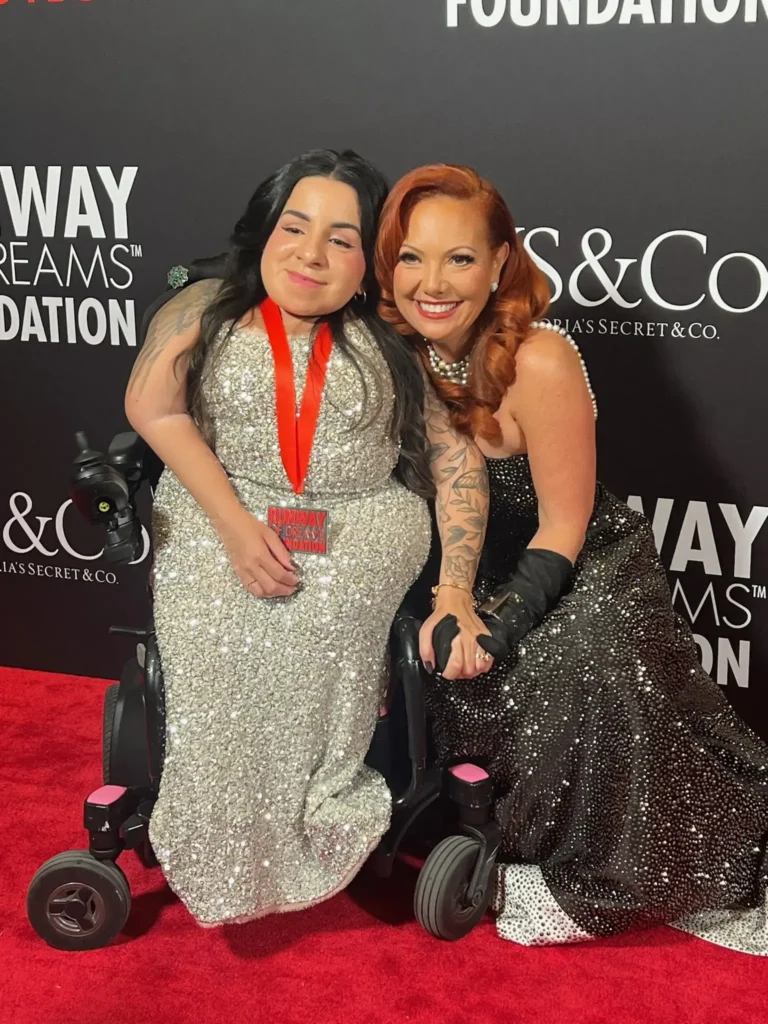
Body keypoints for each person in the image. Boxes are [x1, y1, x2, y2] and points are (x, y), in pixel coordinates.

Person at [374, 163, 768, 955]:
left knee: (584, 663)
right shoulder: (384, 355)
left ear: (498, 264)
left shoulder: (541, 359)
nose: (433, 281)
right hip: (455, 562)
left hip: (578, 563)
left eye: (459, 258)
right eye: (412, 257)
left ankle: (608, 870)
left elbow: (563, 524)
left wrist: (503, 623)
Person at [124, 150, 492, 927]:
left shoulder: (395, 332)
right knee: (220, 636)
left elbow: (455, 458)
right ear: (265, 230)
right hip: (220, 506)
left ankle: (327, 810)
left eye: (341, 238)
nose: (310, 252)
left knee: (326, 632)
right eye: (294, 226)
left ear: (369, 263)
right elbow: (153, 408)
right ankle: (215, 833)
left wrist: (455, 586)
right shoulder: (206, 305)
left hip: (359, 523)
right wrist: (233, 526)